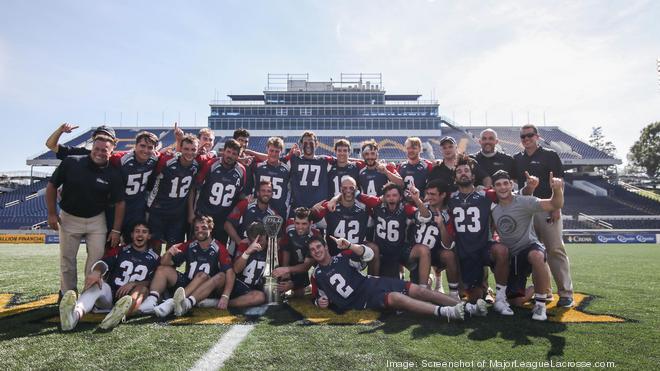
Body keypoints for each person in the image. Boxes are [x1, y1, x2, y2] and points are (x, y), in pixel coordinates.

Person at [274, 236, 486, 321]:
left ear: (324, 247)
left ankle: (467, 307)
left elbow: (368, 254)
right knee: (395, 297)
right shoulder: (317, 275)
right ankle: (445, 312)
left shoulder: (343, 257)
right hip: (361, 300)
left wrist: (350, 246)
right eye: (313, 249)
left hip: (373, 283)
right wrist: (321, 303)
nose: (317, 251)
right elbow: (319, 299)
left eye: (319, 246)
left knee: (419, 290)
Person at [46, 134, 125, 297]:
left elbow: (120, 202)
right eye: (97, 148)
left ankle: (88, 295)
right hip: (69, 217)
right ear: (92, 147)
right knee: (67, 260)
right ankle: (68, 294)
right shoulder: (72, 162)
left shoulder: (113, 173)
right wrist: (52, 213)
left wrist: (116, 230)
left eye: (105, 150)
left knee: (96, 261)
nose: (100, 153)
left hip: (96, 219)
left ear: (112, 151)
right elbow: (52, 186)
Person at [490, 170, 564, 321]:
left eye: (506, 183)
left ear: (512, 185)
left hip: (528, 248)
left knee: (537, 255)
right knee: (516, 302)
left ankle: (540, 304)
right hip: (510, 257)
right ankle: (536, 286)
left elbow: (554, 203)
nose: (503, 187)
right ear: (493, 188)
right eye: (498, 184)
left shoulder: (524, 201)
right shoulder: (492, 208)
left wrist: (556, 189)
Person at [514, 124, 574, 307]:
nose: (526, 139)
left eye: (529, 135)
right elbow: (516, 186)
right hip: (527, 211)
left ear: (537, 136)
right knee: (534, 253)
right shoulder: (517, 158)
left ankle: (565, 292)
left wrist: (557, 206)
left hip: (548, 207)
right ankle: (544, 291)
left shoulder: (550, 155)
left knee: (555, 249)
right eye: (523, 136)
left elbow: (559, 182)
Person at [58, 222, 160, 330]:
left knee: (142, 289)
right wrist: (97, 272)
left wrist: (133, 284)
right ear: (131, 234)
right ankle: (74, 315)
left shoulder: (155, 258)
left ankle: (119, 316)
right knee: (98, 283)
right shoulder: (121, 250)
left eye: (144, 232)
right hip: (110, 294)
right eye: (137, 231)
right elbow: (104, 263)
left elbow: (154, 281)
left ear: (149, 236)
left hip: (130, 298)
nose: (140, 235)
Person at [445, 155, 513, 315]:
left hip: (483, 247)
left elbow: (509, 196)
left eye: (466, 171)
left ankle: (501, 299)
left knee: (502, 250)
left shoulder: (486, 195)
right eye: (459, 171)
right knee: (475, 297)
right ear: (455, 178)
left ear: (473, 176)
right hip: (463, 250)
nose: (463, 173)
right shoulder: (450, 199)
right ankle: (478, 290)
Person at [138, 215, 233, 317]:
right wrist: (169, 252)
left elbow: (230, 273)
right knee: (162, 270)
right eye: (196, 229)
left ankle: (174, 303)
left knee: (211, 275)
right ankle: (152, 300)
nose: (200, 231)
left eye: (204, 228)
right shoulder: (189, 245)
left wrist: (225, 296)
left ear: (211, 228)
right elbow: (164, 263)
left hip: (206, 288)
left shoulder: (219, 248)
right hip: (188, 283)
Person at [314, 176, 381, 274]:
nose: (348, 190)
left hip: (356, 256)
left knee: (374, 248)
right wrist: (314, 210)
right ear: (340, 189)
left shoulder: (364, 210)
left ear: (356, 189)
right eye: (345, 188)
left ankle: (373, 283)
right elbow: (312, 223)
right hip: (334, 256)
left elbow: (378, 204)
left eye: (351, 187)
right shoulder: (330, 208)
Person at [370, 182, 432, 286]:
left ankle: (423, 288)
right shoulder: (377, 207)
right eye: (388, 196)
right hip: (383, 252)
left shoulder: (406, 208)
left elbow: (426, 217)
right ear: (383, 197)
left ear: (400, 197)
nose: (391, 198)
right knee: (390, 286)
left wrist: (417, 199)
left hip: (401, 250)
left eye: (394, 195)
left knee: (423, 250)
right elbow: (361, 197)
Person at [146, 134, 200, 250]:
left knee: (173, 249)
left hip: (178, 213)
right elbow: (153, 182)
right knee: (155, 246)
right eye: (186, 149)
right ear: (181, 148)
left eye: (193, 149)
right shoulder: (167, 161)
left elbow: (191, 189)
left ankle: (168, 268)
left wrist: (190, 212)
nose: (189, 152)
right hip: (159, 210)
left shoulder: (196, 166)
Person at [109, 131, 160, 244]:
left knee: (133, 247)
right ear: (135, 145)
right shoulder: (120, 160)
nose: (146, 150)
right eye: (142, 146)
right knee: (109, 246)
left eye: (150, 147)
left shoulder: (154, 160)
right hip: (115, 209)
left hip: (136, 211)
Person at [193, 139, 247, 244]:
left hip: (223, 218)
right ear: (223, 151)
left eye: (234, 154)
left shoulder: (241, 171)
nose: (230, 156)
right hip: (204, 214)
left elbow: (239, 193)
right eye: (228, 152)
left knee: (218, 249)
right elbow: (196, 187)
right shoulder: (211, 164)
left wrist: (246, 198)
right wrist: (192, 212)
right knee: (197, 246)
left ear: (238, 156)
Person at [413, 180, 458, 295]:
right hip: (417, 254)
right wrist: (417, 200)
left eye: (432, 194)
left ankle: (454, 294)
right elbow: (426, 215)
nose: (428, 197)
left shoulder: (447, 214)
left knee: (449, 255)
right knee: (418, 291)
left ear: (442, 195)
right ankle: (427, 282)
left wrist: (442, 226)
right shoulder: (422, 207)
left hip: (435, 253)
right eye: (427, 193)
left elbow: (448, 245)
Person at [277, 207, 321, 297]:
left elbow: (306, 266)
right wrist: (285, 273)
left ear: (311, 223)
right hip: (293, 260)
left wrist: (293, 283)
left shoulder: (315, 236)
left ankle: (313, 285)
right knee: (279, 291)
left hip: (305, 264)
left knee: (299, 294)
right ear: (294, 222)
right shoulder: (289, 227)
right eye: (297, 223)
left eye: (304, 224)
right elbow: (286, 250)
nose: (300, 227)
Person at [224, 180, 279, 246]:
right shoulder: (245, 204)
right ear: (258, 192)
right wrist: (239, 242)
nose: (266, 193)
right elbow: (227, 225)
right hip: (240, 248)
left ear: (272, 194)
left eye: (269, 191)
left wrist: (265, 244)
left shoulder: (273, 214)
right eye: (263, 190)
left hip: (258, 251)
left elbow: (277, 238)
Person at [251, 137, 291, 219]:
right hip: (259, 211)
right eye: (271, 150)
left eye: (277, 151)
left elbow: (290, 191)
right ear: (267, 149)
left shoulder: (287, 170)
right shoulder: (258, 167)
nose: (274, 154)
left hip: (279, 212)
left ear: (281, 152)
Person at [45, 123, 116, 159]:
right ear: (93, 139)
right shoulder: (80, 154)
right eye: (99, 137)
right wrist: (60, 131)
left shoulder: (118, 161)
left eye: (107, 137)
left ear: (113, 143)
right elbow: (51, 145)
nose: (102, 139)